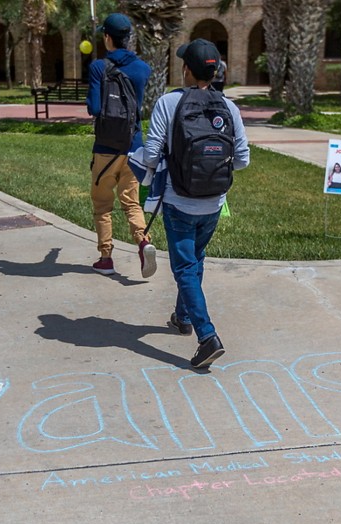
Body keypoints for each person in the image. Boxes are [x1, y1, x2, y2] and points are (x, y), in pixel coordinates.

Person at [143, 39, 250, 369]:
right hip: (214, 201)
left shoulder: (168, 103)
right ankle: (182, 317)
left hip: (179, 201)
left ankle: (207, 337)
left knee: (185, 267)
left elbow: (149, 154)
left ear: (186, 69)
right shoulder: (228, 107)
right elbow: (243, 159)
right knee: (195, 259)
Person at [85, 13, 154, 277]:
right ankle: (143, 241)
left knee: (103, 205)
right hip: (134, 146)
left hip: (105, 147)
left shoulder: (98, 67)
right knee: (132, 202)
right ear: (129, 38)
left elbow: (94, 107)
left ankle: (106, 258)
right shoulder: (143, 69)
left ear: (107, 38)